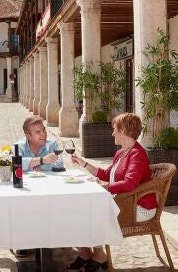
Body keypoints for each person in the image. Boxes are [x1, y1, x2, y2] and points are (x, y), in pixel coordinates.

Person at [68, 113, 157, 272]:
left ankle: (97, 255)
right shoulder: (121, 152)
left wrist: (106, 186)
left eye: (115, 129)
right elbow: (105, 174)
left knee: (89, 211)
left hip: (138, 207)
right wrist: (84, 163)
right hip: (124, 201)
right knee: (80, 208)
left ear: (123, 131)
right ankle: (89, 253)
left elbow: (129, 183)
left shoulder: (137, 154)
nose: (112, 133)